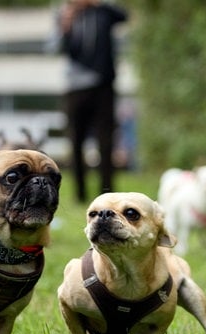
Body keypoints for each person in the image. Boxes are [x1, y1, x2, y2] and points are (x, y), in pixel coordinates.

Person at [58, 0, 127, 203]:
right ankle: (79, 194)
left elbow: (123, 16)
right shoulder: (64, 13)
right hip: (75, 87)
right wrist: (65, 28)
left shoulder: (104, 12)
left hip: (103, 85)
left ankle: (107, 192)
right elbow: (59, 47)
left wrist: (97, 3)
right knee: (76, 140)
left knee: (106, 141)